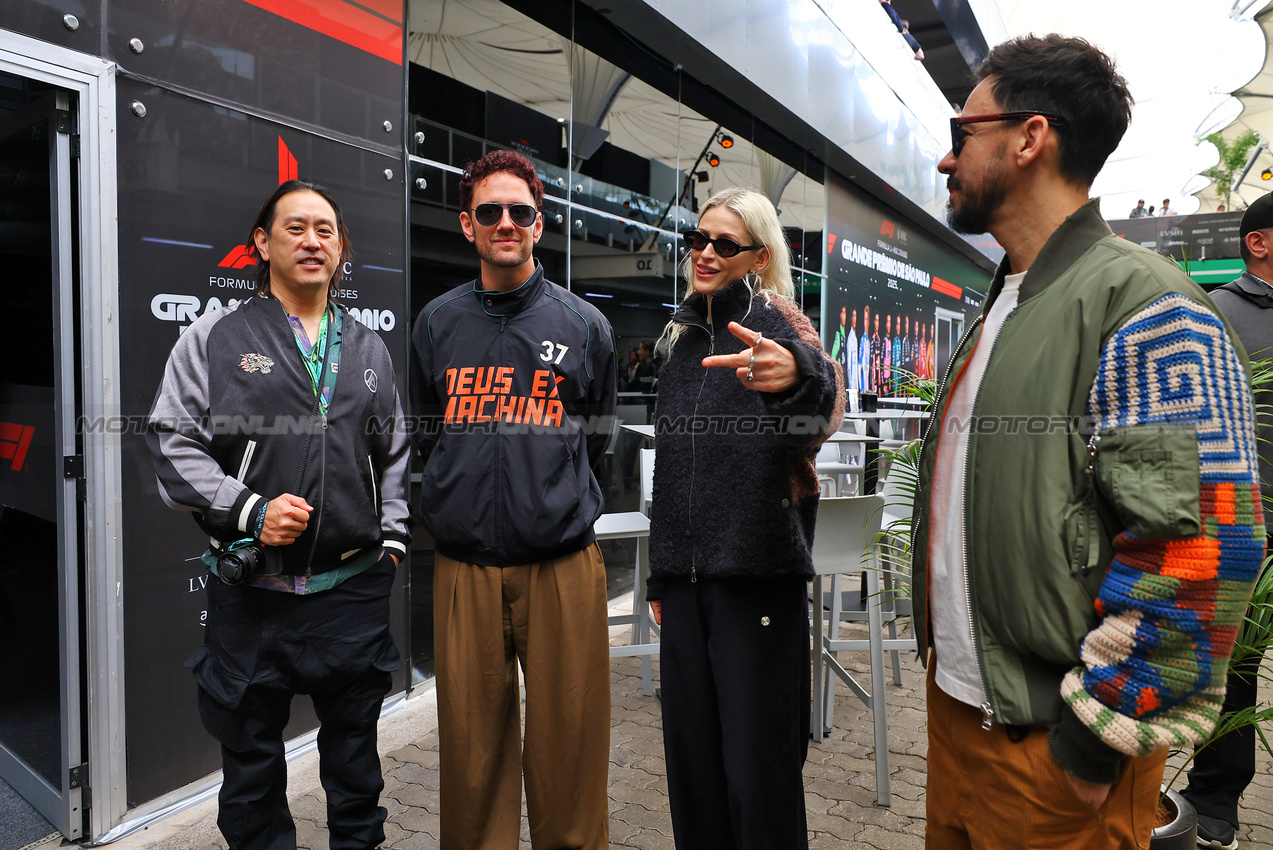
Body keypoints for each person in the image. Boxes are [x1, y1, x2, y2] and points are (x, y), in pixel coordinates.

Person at [920, 34, 1264, 849]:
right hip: (959, 716)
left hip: (1055, 754)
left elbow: (1206, 546)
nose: (944, 159)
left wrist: (1094, 738)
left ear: (1029, 137)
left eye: (962, 131)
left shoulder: (1145, 302)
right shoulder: (1006, 301)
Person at [147, 180, 411, 850]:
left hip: (349, 594)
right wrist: (250, 509)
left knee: (356, 773)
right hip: (253, 601)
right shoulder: (214, 336)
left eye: (325, 229)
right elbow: (170, 441)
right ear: (262, 244)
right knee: (252, 776)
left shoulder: (368, 349)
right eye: (295, 228)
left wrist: (393, 540)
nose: (312, 240)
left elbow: (394, 453)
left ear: (341, 247)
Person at [408, 149, 616, 850]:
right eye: (489, 212)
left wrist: (545, 496)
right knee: (471, 758)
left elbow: (595, 439)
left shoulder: (585, 326)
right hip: (463, 566)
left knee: (569, 751)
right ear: (466, 225)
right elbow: (427, 432)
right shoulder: (436, 323)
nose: (505, 223)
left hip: (560, 564)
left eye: (518, 212)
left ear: (539, 223)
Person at [646, 187, 842, 849]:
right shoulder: (677, 337)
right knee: (693, 773)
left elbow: (816, 417)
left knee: (758, 779)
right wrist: (657, 578)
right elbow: (669, 470)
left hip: (757, 579)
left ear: (757, 256)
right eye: (696, 239)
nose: (704, 253)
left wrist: (794, 377)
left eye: (723, 244)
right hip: (683, 585)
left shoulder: (778, 323)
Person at [1180, 192, 1273, 850]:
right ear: (1258, 242)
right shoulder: (1214, 316)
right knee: (1233, 662)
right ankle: (1214, 794)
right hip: (1239, 519)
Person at [830, 305, 861, 407]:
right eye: (842, 313)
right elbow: (833, 358)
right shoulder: (838, 334)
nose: (844, 316)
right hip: (840, 378)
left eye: (845, 314)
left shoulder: (847, 334)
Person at [859, 304, 874, 393]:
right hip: (863, 385)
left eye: (868, 319)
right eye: (865, 319)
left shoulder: (869, 339)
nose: (866, 322)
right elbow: (859, 365)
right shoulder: (862, 340)